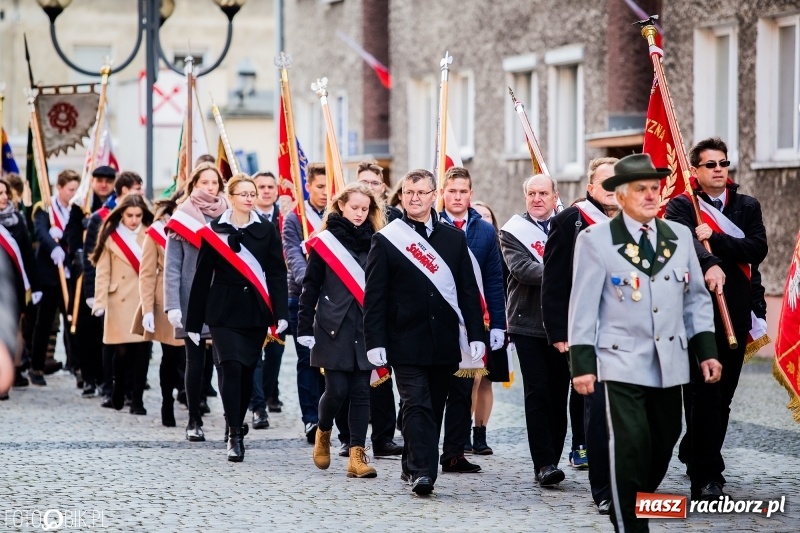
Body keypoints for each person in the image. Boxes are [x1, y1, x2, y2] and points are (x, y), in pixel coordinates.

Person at [569, 153, 722, 532]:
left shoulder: (679, 235)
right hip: (618, 362)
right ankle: (630, 524)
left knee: (664, 441)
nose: (652, 195)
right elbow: (583, 306)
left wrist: (706, 350)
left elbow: (696, 299)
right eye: (642, 189)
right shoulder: (595, 240)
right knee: (630, 443)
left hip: (669, 361)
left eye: (656, 188)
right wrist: (583, 364)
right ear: (620, 196)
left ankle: (636, 500)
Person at [363, 169, 485, 495]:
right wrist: (375, 340)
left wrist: (475, 334)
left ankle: (410, 463)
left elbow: (467, 291)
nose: (414, 198)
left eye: (421, 192)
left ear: (435, 195)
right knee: (416, 402)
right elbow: (374, 296)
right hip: (404, 338)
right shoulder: (387, 238)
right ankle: (423, 472)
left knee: (434, 405)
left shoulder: (453, 238)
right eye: (408, 192)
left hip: (443, 340)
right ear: (401, 196)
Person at [665, 137, 768, 500]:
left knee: (722, 396)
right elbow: (681, 245)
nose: (719, 169)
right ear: (695, 170)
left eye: (723, 163)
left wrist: (718, 240)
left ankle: (696, 448)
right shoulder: (680, 207)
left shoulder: (746, 206)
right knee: (701, 393)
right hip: (695, 315)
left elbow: (758, 248)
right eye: (711, 164)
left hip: (735, 314)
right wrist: (707, 258)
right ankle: (708, 475)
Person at [186, 174, 288, 462]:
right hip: (223, 310)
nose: (249, 198)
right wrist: (193, 323)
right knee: (229, 366)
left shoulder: (266, 229)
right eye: (242, 193)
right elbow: (202, 275)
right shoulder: (214, 230)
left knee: (245, 371)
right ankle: (234, 433)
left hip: (254, 311)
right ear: (230, 197)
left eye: (252, 193)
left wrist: (280, 313)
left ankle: (238, 421)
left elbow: (277, 273)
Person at [541, 157, 618, 512]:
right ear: (590, 188)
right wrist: (559, 331)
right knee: (598, 409)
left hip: (633, 336)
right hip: (587, 330)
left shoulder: (641, 222)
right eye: (606, 183)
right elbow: (554, 281)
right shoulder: (570, 220)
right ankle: (603, 490)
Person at [298, 182, 385, 478]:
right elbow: (310, 287)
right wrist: (303, 326)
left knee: (361, 391)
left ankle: (357, 456)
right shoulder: (325, 241)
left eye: (365, 209)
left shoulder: (377, 241)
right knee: (336, 390)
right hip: (332, 325)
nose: (360, 214)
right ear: (340, 207)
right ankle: (323, 431)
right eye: (354, 208)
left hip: (366, 326)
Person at [500, 173, 569, 487]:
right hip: (527, 323)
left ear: (555, 196)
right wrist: (566, 273)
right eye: (532, 193)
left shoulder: (570, 225)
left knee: (559, 393)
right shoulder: (513, 231)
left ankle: (553, 457)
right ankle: (542, 463)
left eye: (543, 193)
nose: (537, 198)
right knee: (537, 393)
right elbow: (523, 269)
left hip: (564, 324)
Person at [438, 167, 506, 470]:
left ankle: (454, 453)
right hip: (434, 320)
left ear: (470, 194)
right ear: (442, 193)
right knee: (429, 392)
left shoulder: (485, 231)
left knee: (462, 390)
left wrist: (498, 324)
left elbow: (493, 281)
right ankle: (418, 455)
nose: (457, 196)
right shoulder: (428, 226)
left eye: (462, 191)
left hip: (470, 323)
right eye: (451, 190)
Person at [164, 162, 228, 441]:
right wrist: (172, 304)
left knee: (226, 363)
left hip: (224, 298)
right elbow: (173, 266)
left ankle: (231, 421)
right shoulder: (183, 217)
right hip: (192, 299)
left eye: (214, 182)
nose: (210, 188)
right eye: (204, 182)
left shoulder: (229, 213)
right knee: (194, 361)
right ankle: (193, 420)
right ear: (193, 185)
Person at [90, 194, 154, 414]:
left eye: (138, 215)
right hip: (118, 301)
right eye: (129, 215)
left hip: (143, 299)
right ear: (122, 214)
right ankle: (118, 388)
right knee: (121, 352)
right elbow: (102, 271)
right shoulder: (111, 236)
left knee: (143, 352)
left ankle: (137, 400)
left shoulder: (151, 234)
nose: (134, 220)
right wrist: (99, 301)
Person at [83, 170, 142, 401]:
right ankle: (109, 387)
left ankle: (130, 389)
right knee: (112, 345)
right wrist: (92, 294)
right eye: (136, 188)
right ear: (125, 190)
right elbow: (92, 260)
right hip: (114, 294)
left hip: (136, 294)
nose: (140, 193)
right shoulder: (101, 218)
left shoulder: (143, 220)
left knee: (136, 347)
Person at [282, 162, 327, 443]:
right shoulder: (295, 218)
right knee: (307, 360)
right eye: (320, 186)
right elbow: (294, 257)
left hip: (336, 301)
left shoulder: (337, 215)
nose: (324, 192)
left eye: (328, 187)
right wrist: (314, 283)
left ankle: (329, 415)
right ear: (307, 186)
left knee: (332, 362)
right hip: (302, 298)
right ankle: (311, 419)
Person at [132, 194, 185, 426]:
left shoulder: (208, 222)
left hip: (194, 295)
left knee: (196, 358)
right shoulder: (158, 231)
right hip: (167, 296)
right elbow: (146, 273)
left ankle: (193, 400)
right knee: (171, 356)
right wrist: (147, 309)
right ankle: (167, 401)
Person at [65, 165, 116, 397]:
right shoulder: (80, 204)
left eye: (108, 180)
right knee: (85, 329)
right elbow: (72, 234)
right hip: (86, 273)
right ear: (92, 181)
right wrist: (77, 251)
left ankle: (108, 377)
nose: (103, 184)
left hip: (112, 274)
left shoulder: (118, 206)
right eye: (99, 179)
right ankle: (87, 376)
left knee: (108, 329)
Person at [28, 171, 78, 386]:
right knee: (45, 321)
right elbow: (40, 232)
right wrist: (53, 245)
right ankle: (36, 366)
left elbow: (76, 234)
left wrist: (64, 239)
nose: (73, 193)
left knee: (72, 321)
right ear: (59, 188)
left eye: (76, 189)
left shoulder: (76, 210)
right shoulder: (45, 209)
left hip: (69, 273)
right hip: (49, 273)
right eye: (70, 190)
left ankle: (76, 365)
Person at [248, 170, 284, 429]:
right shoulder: (246, 220)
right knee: (254, 355)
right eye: (260, 186)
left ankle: (267, 393)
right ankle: (258, 407)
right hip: (252, 294)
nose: (266, 190)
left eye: (271, 186)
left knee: (275, 353)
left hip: (279, 293)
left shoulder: (289, 218)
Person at [0, 176, 39, 393]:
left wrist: (35, 286)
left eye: (5, 193)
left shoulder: (17, 219)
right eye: (0, 194)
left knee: (13, 327)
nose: (4, 197)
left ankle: (14, 370)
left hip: (11, 284)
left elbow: (26, 254)